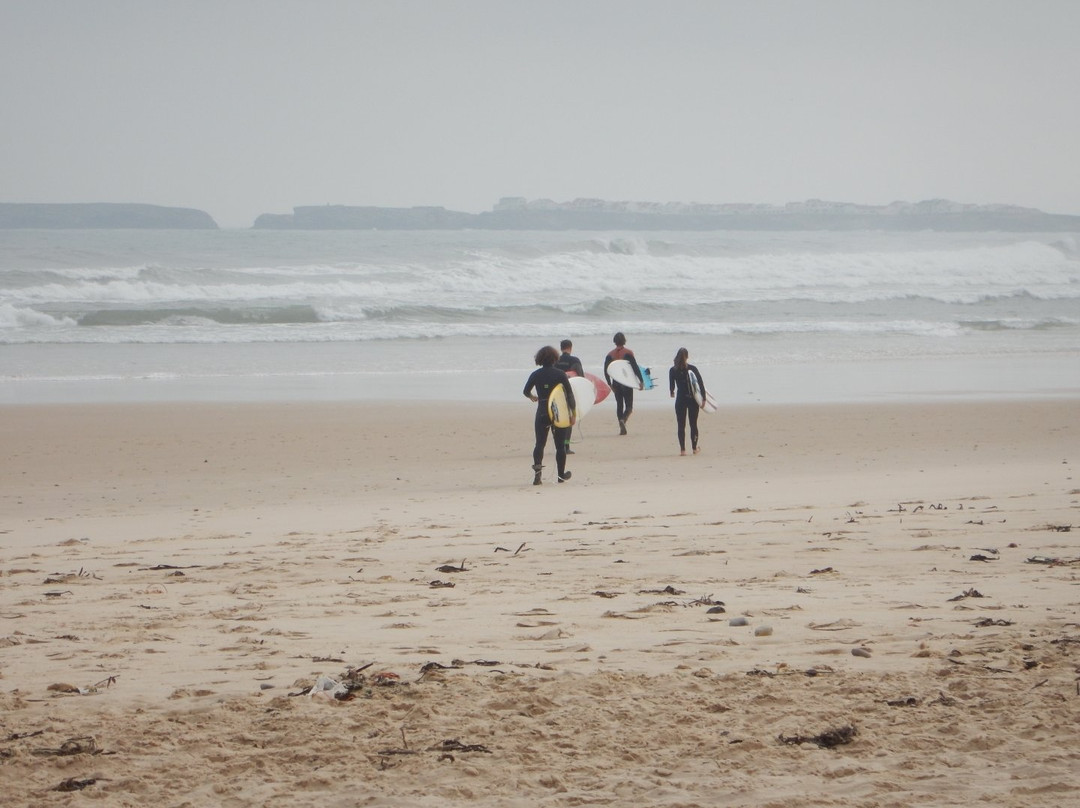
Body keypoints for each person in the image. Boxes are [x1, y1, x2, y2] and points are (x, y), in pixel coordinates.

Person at [523, 345, 577, 485]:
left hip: (542, 410)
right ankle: (560, 476)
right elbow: (570, 395)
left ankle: (538, 475)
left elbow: (525, 391)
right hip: (558, 411)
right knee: (560, 446)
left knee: (540, 444)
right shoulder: (560, 374)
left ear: (540, 359)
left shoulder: (535, 374)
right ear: (554, 358)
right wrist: (573, 413)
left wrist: (532, 397)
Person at [603, 331, 643, 435]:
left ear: (615, 341)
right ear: (624, 340)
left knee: (619, 405)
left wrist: (610, 384)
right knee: (629, 406)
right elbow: (634, 367)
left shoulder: (609, 355)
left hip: (616, 383)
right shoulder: (628, 353)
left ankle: (621, 424)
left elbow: (606, 370)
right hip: (626, 382)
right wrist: (641, 381)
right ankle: (623, 420)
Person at [668, 347, 705, 455]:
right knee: (693, 424)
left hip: (680, 399)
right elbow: (700, 384)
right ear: (687, 356)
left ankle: (683, 450)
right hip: (692, 399)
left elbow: (671, 387)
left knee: (681, 425)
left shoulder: (673, 370)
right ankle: (694, 449)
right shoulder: (692, 369)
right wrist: (703, 399)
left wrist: (672, 392)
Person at [553, 339, 585, 453]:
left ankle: (558, 446)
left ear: (561, 348)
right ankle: (566, 446)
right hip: (569, 392)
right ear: (570, 347)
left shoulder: (555, 360)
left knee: (556, 418)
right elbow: (581, 377)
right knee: (569, 419)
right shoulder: (574, 360)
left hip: (556, 393)